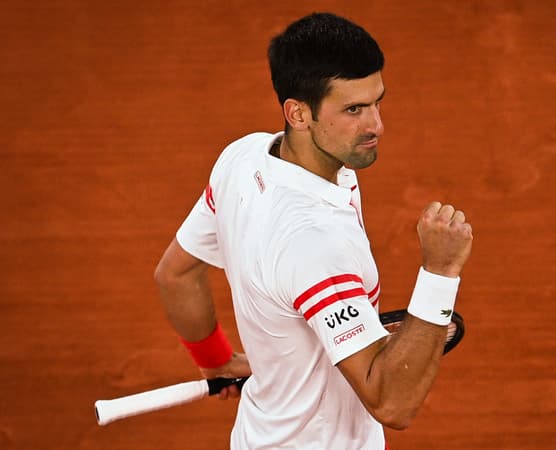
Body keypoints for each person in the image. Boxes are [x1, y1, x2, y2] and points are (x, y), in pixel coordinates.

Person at [154, 12, 473, 449]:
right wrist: (440, 271)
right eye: (353, 110)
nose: (376, 125)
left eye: (377, 101)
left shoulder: (243, 159)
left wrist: (215, 361)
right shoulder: (316, 245)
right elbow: (392, 403)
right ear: (299, 113)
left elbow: (176, 273)